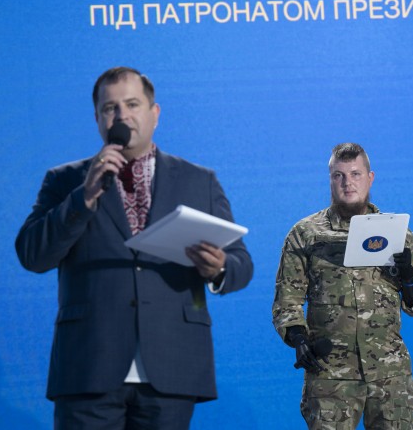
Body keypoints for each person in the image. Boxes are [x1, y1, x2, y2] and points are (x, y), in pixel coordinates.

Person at [15, 67, 253, 429]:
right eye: (110, 108)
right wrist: (83, 198)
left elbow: (241, 264)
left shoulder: (198, 180)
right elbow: (32, 255)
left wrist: (218, 268)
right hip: (89, 363)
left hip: (173, 364)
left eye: (132, 104)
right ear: (97, 119)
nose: (121, 116)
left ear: (154, 113)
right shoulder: (66, 181)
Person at [272, 142, 413, 430]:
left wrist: (408, 277)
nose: (348, 183)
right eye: (339, 175)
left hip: (389, 374)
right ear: (330, 180)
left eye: (355, 174)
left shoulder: (398, 234)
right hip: (331, 373)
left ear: (370, 178)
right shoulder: (306, 234)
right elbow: (288, 300)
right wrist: (298, 338)